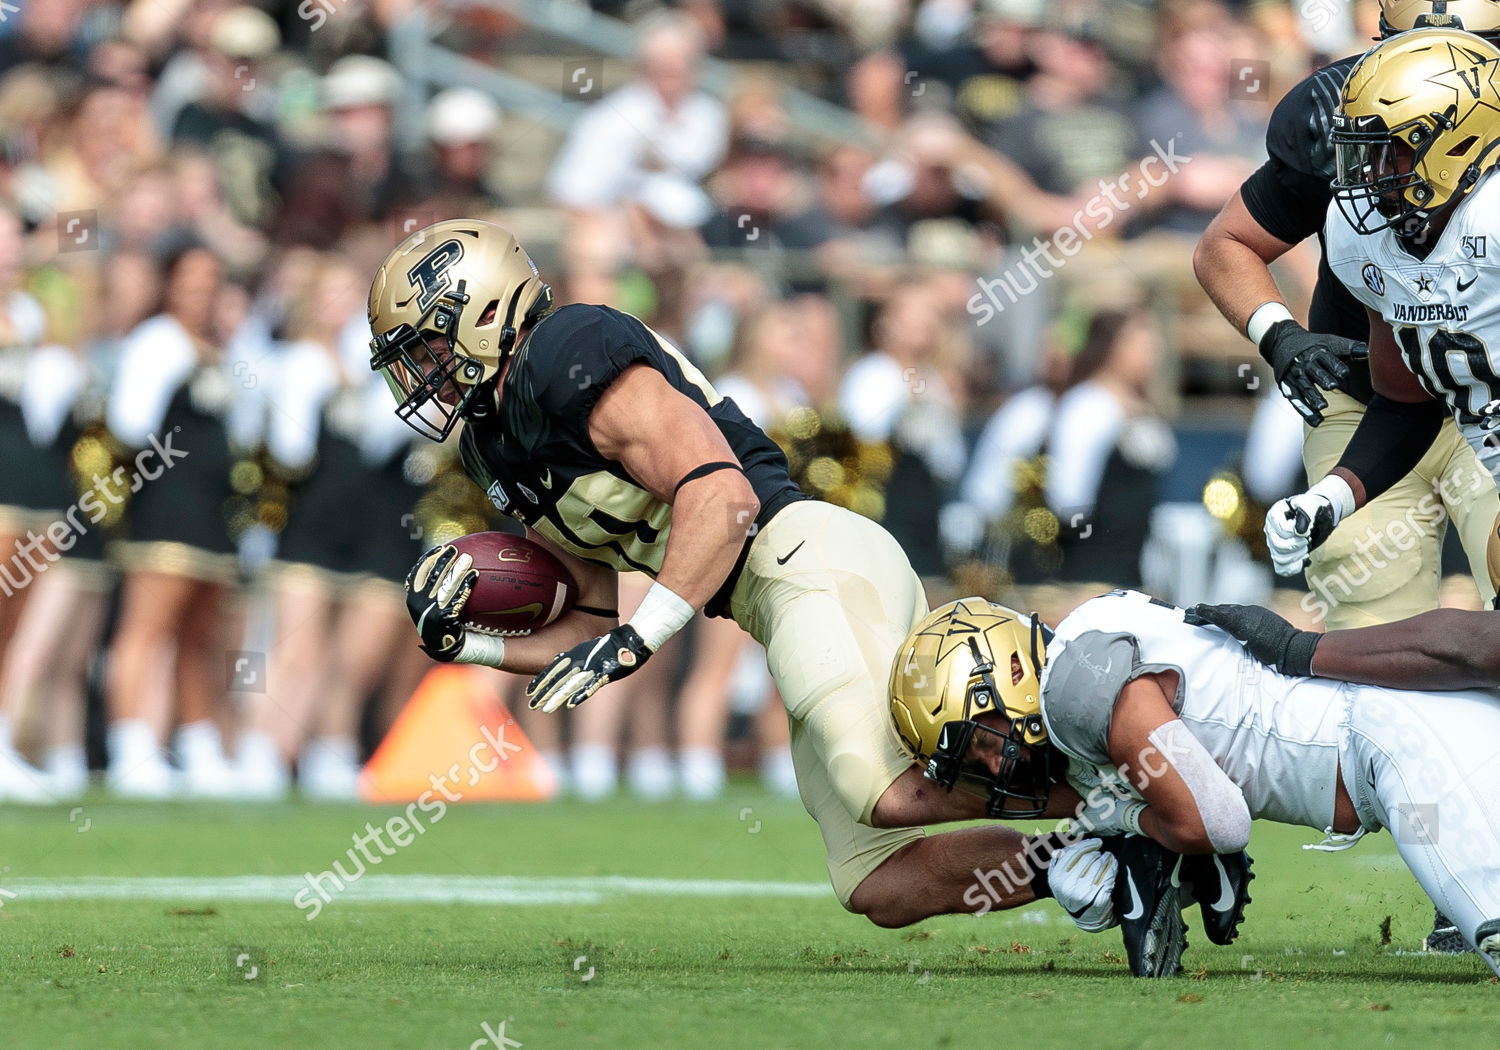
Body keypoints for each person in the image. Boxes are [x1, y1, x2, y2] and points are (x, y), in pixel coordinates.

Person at [365, 217, 1146, 934]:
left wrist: (645, 633)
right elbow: (593, 617)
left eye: (426, 346)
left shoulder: (570, 348)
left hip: (805, 556)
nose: (420, 375)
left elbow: (723, 494)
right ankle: (1099, 864)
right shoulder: (492, 441)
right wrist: (472, 645)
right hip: (773, 600)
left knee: (883, 785)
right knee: (873, 882)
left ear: (485, 312)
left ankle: (1139, 801)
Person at [891, 591, 1500, 976]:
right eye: (973, 765)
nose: (994, 769)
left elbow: (1217, 820)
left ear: (1011, 672)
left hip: (1400, 745)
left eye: (982, 744)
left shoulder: (1071, 690)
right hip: (1400, 773)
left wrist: (1124, 829)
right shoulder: (1083, 650)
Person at [1193, 1, 1500, 631]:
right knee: (1369, 625)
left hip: (1483, 419)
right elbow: (1406, 395)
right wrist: (1279, 337)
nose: (1364, 177)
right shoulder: (1361, 210)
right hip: (1375, 400)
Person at [1263, 29, 1500, 588]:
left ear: (1457, 143)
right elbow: (1406, 401)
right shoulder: (1361, 236)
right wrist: (1331, 498)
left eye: (1389, 145)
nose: (1367, 173)